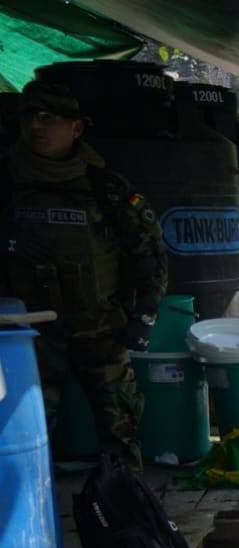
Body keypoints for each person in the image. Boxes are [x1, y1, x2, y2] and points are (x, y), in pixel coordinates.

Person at [3, 79, 166, 466]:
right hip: (27, 335)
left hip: (100, 330)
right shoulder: (6, 182)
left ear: (76, 128)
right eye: (29, 116)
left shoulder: (105, 188)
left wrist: (144, 315)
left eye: (48, 117)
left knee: (121, 430)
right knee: (22, 439)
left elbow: (148, 253)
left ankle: (123, 499)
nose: (36, 125)